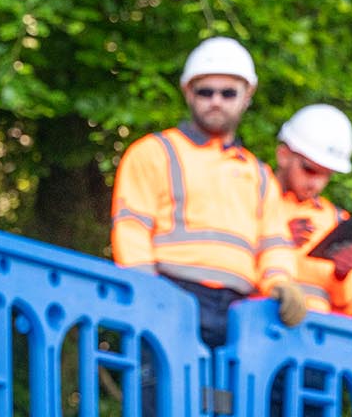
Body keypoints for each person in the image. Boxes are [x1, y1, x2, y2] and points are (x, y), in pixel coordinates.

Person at [111, 36, 306, 349]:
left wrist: (281, 282)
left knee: (223, 400)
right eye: (206, 92)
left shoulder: (259, 175)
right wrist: (147, 293)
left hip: (239, 315)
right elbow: (132, 229)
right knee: (165, 397)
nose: (216, 100)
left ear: (247, 96)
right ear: (188, 92)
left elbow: (274, 244)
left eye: (228, 92)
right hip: (169, 296)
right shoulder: (154, 152)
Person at [271, 104, 352, 317]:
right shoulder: (251, 197)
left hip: (314, 338)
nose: (316, 183)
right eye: (309, 169)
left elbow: (348, 310)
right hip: (256, 325)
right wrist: (277, 240)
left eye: (326, 175)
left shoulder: (335, 220)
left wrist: (342, 275)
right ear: (283, 155)